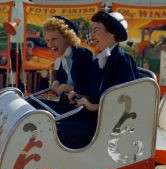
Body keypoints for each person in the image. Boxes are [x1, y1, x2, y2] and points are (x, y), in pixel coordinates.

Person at [60, 11, 139, 149]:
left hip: (109, 127)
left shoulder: (123, 60)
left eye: (96, 31)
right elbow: (92, 88)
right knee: (54, 124)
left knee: (57, 130)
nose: (93, 36)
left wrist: (93, 106)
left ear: (112, 33)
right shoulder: (101, 60)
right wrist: (78, 94)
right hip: (96, 119)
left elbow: (128, 101)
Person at [37, 16, 95, 108]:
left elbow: (92, 87)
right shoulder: (61, 58)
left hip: (83, 109)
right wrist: (57, 82)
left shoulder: (84, 55)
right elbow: (61, 80)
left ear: (67, 37)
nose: (50, 44)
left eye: (54, 39)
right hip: (68, 105)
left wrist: (69, 88)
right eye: (48, 40)